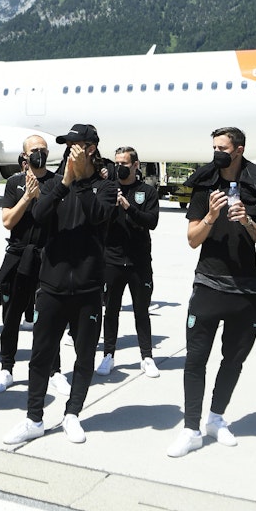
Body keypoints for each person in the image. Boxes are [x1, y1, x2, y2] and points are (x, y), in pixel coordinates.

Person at [4, 123, 118, 445]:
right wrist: (66, 181)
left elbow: (98, 217)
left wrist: (81, 183)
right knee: (41, 355)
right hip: (52, 286)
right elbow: (39, 215)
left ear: (91, 148)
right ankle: (33, 418)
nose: (70, 151)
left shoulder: (105, 187)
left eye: (77, 145)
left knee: (84, 357)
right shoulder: (55, 183)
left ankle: (72, 414)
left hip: (88, 288)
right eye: (68, 145)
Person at [166, 127, 256, 457]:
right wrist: (212, 215)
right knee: (196, 359)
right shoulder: (205, 184)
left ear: (239, 150)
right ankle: (191, 427)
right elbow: (192, 239)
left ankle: (215, 417)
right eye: (214, 147)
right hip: (208, 285)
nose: (217, 153)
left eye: (222, 148)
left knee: (234, 360)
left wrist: (248, 222)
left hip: (244, 290)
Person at [0, 135, 58, 394]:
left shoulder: (55, 183)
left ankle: (54, 369)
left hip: (47, 257)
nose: (38, 153)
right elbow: (7, 221)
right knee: (12, 315)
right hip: (19, 256)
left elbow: (56, 219)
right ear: (25, 156)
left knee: (49, 317)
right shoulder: (15, 183)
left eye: (42, 150)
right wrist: (27, 197)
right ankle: (6, 367)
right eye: (34, 150)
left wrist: (40, 196)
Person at [96, 146, 160, 378]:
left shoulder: (147, 192)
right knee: (110, 310)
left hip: (138, 262)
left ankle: (147, 357)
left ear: (135, 165)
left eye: (124, 163)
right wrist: (109, 206)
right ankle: (108, 355)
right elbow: (96, 219)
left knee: (141, 311)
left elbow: (150, 221)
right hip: (111, 261)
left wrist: (128, 207)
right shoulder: (107, 190)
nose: (119, 167)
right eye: (117, 163)